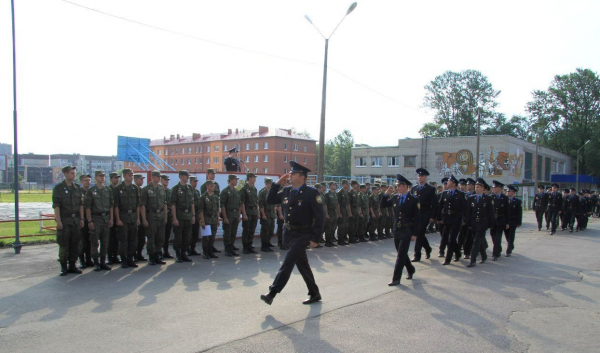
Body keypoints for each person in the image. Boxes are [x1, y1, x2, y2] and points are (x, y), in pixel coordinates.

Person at [260, 161, 325, 305]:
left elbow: (320, 217)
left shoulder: (311, 193)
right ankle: (315, 293)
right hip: (289, 234)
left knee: (288, 262)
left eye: (293, 173)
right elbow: (269, 199)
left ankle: (272, 293)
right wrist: (277, 183)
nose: (289, 175)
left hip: (303, 234)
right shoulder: (287, 190)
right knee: (302, 265)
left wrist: (316, 238)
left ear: (302, 177)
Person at [381, 174, 418, 286]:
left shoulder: (413, 199)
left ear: (405, 186)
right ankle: (411, 269)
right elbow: (383, 205)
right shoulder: (395, 197)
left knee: (401, 255)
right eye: (397, 185)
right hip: (397, 229)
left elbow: (417, 218)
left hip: (407, 230)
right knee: (401, 252)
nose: (397, 187)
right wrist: (385, 195)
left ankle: (396, 278)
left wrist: (415, 234)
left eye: (399, 185)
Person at [53, 165, 84, 276]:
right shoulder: (59, 188)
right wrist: (59, 221)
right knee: (64, 244)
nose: (74, 175)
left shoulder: (77, 188)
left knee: (75, 243)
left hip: (75, 220)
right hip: (65, 220)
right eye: (71, 173)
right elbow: (56, 206)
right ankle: (63, 267)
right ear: (65, 174)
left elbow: (81, 204)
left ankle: (72, 265)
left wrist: (81, 218)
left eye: (74, 173)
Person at [84, 170, 114, 271]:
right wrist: (90, 221)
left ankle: (103, 262)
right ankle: (96, 263)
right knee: (94, 242)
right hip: (96, 218)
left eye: (103, 176)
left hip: (106, 218)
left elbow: (111, 205)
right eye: (100, 176)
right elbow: (87, 207)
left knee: (105, 242)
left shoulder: (107, 190)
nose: (102, 177)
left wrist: (111, 218)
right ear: (96, 177)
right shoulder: (91, 190)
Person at [114, 168, 141, 268]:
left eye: (132, 175)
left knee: (133, 240)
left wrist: (138, 218)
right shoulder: (118, 188)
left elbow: (138, 205)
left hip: (133, 217)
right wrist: (118, 219)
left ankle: (130, 259)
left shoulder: (135, 188)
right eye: (129, 175)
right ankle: (124, 260)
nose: (131, 177)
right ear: (124, 176)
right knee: (123, 240)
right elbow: (116, 205)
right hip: (123, 217)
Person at [140, 170, 168, 266]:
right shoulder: (146, 189)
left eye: (159, 176)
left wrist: (165, 216)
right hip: (151, 215)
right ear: (152, 177)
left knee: (160, 237)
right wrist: (144, 219)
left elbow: (164, 203)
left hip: (160, 215)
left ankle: (157, 255)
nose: (159, 178)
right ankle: (152, 257)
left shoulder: (161, 188)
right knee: (151, 237)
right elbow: (143, 206)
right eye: (157, 176)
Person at [466, 178, 495, 268]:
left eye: (478, 187)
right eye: (476, 187)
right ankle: (484, 255)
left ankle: (473, 260)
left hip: (483, 223)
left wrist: (491, 224)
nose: (476, 188)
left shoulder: (488, 199)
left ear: (483, 188)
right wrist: (468, 223)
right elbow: (469, 212)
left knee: (476, 241)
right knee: (480, 240)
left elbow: (491, 213)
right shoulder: (471, 198)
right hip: (474, 223)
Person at [437, 175, 466, 265]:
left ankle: (448, 259)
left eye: (449, 181)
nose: (447, 183)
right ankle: (457, 253)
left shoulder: (460, 194)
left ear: (453, 184)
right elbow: (440, 206)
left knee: (451, 238)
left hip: (456, 219)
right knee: (447, 238)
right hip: (447, 219)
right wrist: (438, 218)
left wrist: (464, 219)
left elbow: (465, 208)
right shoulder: (444, 193)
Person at [410, 168, 436, 262]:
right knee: (420, 234)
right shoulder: (414, 188)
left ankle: (417, 255)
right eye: (419, 176)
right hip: (416, 215)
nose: (420, 177)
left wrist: (433, 216)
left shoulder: (430, 189)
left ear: (425, 177)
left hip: (425, 215)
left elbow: (434, 204)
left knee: (419, 233)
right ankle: (428, 248)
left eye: (422, 176)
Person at [200, 168, 221, 254]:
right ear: (208, 174)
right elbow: (202, 207)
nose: (213, 175)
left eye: (214, 174)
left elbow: (217, 205)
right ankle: (206, 252)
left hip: (213, 217)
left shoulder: (216, 187)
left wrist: (218, 218)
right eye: (212, 174)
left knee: (212, 235)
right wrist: (202, 220)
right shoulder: (203, 188)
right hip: (207, 216)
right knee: (206, 236)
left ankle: (211, 249)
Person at [221, 174, 242, 257]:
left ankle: (231, 248)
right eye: (235, 180)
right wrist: (225, 217)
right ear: (230, 180)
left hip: (235, 214)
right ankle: (227, 249)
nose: (236, 181)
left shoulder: (236, 192)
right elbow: (222, 205)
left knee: (233, 232)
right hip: (228, 214)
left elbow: (240, 204)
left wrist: (239, 215)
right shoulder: (225, 191)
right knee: (227, 233)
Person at [490, 180, 509, 261]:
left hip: (501, 220)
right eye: (493, 187)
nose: (494, 189)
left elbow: (507, 211)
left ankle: (495, 254)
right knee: (493, 236)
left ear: (500, 188)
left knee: (498, 238)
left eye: (496, 187)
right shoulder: (491, 197)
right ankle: (498, 248)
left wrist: (507, 222)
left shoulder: (505, 198)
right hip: (493, 221)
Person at [241, 172, 259, 254]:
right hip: (248, 211)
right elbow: (242, 203)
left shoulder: (254, 189)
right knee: (246, 230)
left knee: (252, 229)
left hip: (254, 211)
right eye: (253, 177)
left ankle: (249, 245)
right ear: (250, 178)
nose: (255, 179)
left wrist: (258, 212)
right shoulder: (244, 189)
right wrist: (244, 214)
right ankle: (245, 247)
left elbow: (256, 202)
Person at [78, 174, 93, 269]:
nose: (88, 182)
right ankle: (82, 260)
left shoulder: (92, 191)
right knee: (82, 241)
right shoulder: (78, 192)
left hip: (91, 219)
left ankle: (89, 259)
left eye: (89, 180)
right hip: (82, 219)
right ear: (81, 182)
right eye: (85, 180)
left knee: (90, 240)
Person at [107, 172, 121, 265]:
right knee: (109, 238)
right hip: (110, 217)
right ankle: (109, 256)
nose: (117, 179)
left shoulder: (119, 189)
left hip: (118, 216)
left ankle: (115, 255)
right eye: (115, 178)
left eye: (118, 178)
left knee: (117, 238)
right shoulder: (108, 189)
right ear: (111, 179)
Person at [258, 177, 276, 252]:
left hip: (271, 213)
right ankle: (264, 245)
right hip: (266, 213)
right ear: (266, 183)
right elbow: (261, 205)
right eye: (269, 183)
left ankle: (268, 242)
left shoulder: (271, 192)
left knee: (271, 230)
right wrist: (263, 214)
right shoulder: (263, 193)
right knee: (265, 230)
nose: (270, 185)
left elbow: (274, 204)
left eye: (271, 183)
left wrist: (275, 213)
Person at [160, 174, 175, 259]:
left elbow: (172, 204)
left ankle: (165, 251)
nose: (167, 181)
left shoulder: (169, 192)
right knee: (159, 235)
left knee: (167, 234)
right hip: (160, 215)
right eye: (165, 180)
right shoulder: (158, 190)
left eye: (167, 180)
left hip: (169, 215)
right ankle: (158, 252)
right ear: (161, 180)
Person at [505, 185, 522, 257]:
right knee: (507, 235)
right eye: (507, 191)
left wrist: (519, 222)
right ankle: (511, 245)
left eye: (509, 191)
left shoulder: (518, 201)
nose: (507, 192)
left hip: (513, 221)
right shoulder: (505, 200)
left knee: (511, 235)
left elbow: (519, 212)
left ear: (513, 192)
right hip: (506, 221)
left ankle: (508, 251)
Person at [133, 174, 147, 262]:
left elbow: (143, 205)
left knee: (141, 237)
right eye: (141, 179)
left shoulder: (142, 190)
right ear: (136, 180)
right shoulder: (132, 190)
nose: (142, 181)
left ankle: (139, 253)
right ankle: (133, 254)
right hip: (133, 216)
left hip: (141, 217)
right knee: (134, 237)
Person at [323, 181, 340, 247]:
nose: (335, 186)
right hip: (329, 212)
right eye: (333, 185)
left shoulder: (336, 194)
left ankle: (331, 240)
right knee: (328, 228)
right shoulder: (327, 194)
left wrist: (338, 213)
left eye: (335, 185)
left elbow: (337, 204)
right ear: (330, 186)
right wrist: (326, 214)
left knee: (334, 227)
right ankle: (327, 242)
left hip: (334, 212)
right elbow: (325, 204)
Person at [189, 176, 202, 256]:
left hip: (196, 214)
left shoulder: (197, 192)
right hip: (189, 215)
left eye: (196, 181)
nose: (196, 183)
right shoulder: (188, 190)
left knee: (195, 234)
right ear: (190, 182)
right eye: (194, 181)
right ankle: (187, 249)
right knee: (188, 234)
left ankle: (193, 248)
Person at [337, 179, 351, 245]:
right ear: (342, 184)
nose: (347, 185)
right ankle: (340, 240)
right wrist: (339, 213)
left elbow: (348, 204)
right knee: (341, 226)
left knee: (346, 225)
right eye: (345, 183)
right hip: (342, 210)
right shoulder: (339, 193)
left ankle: (343, 238)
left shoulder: (347, 193)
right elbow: (338, 204)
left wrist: (349, 212)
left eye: (347, 183)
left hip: (346, 211)